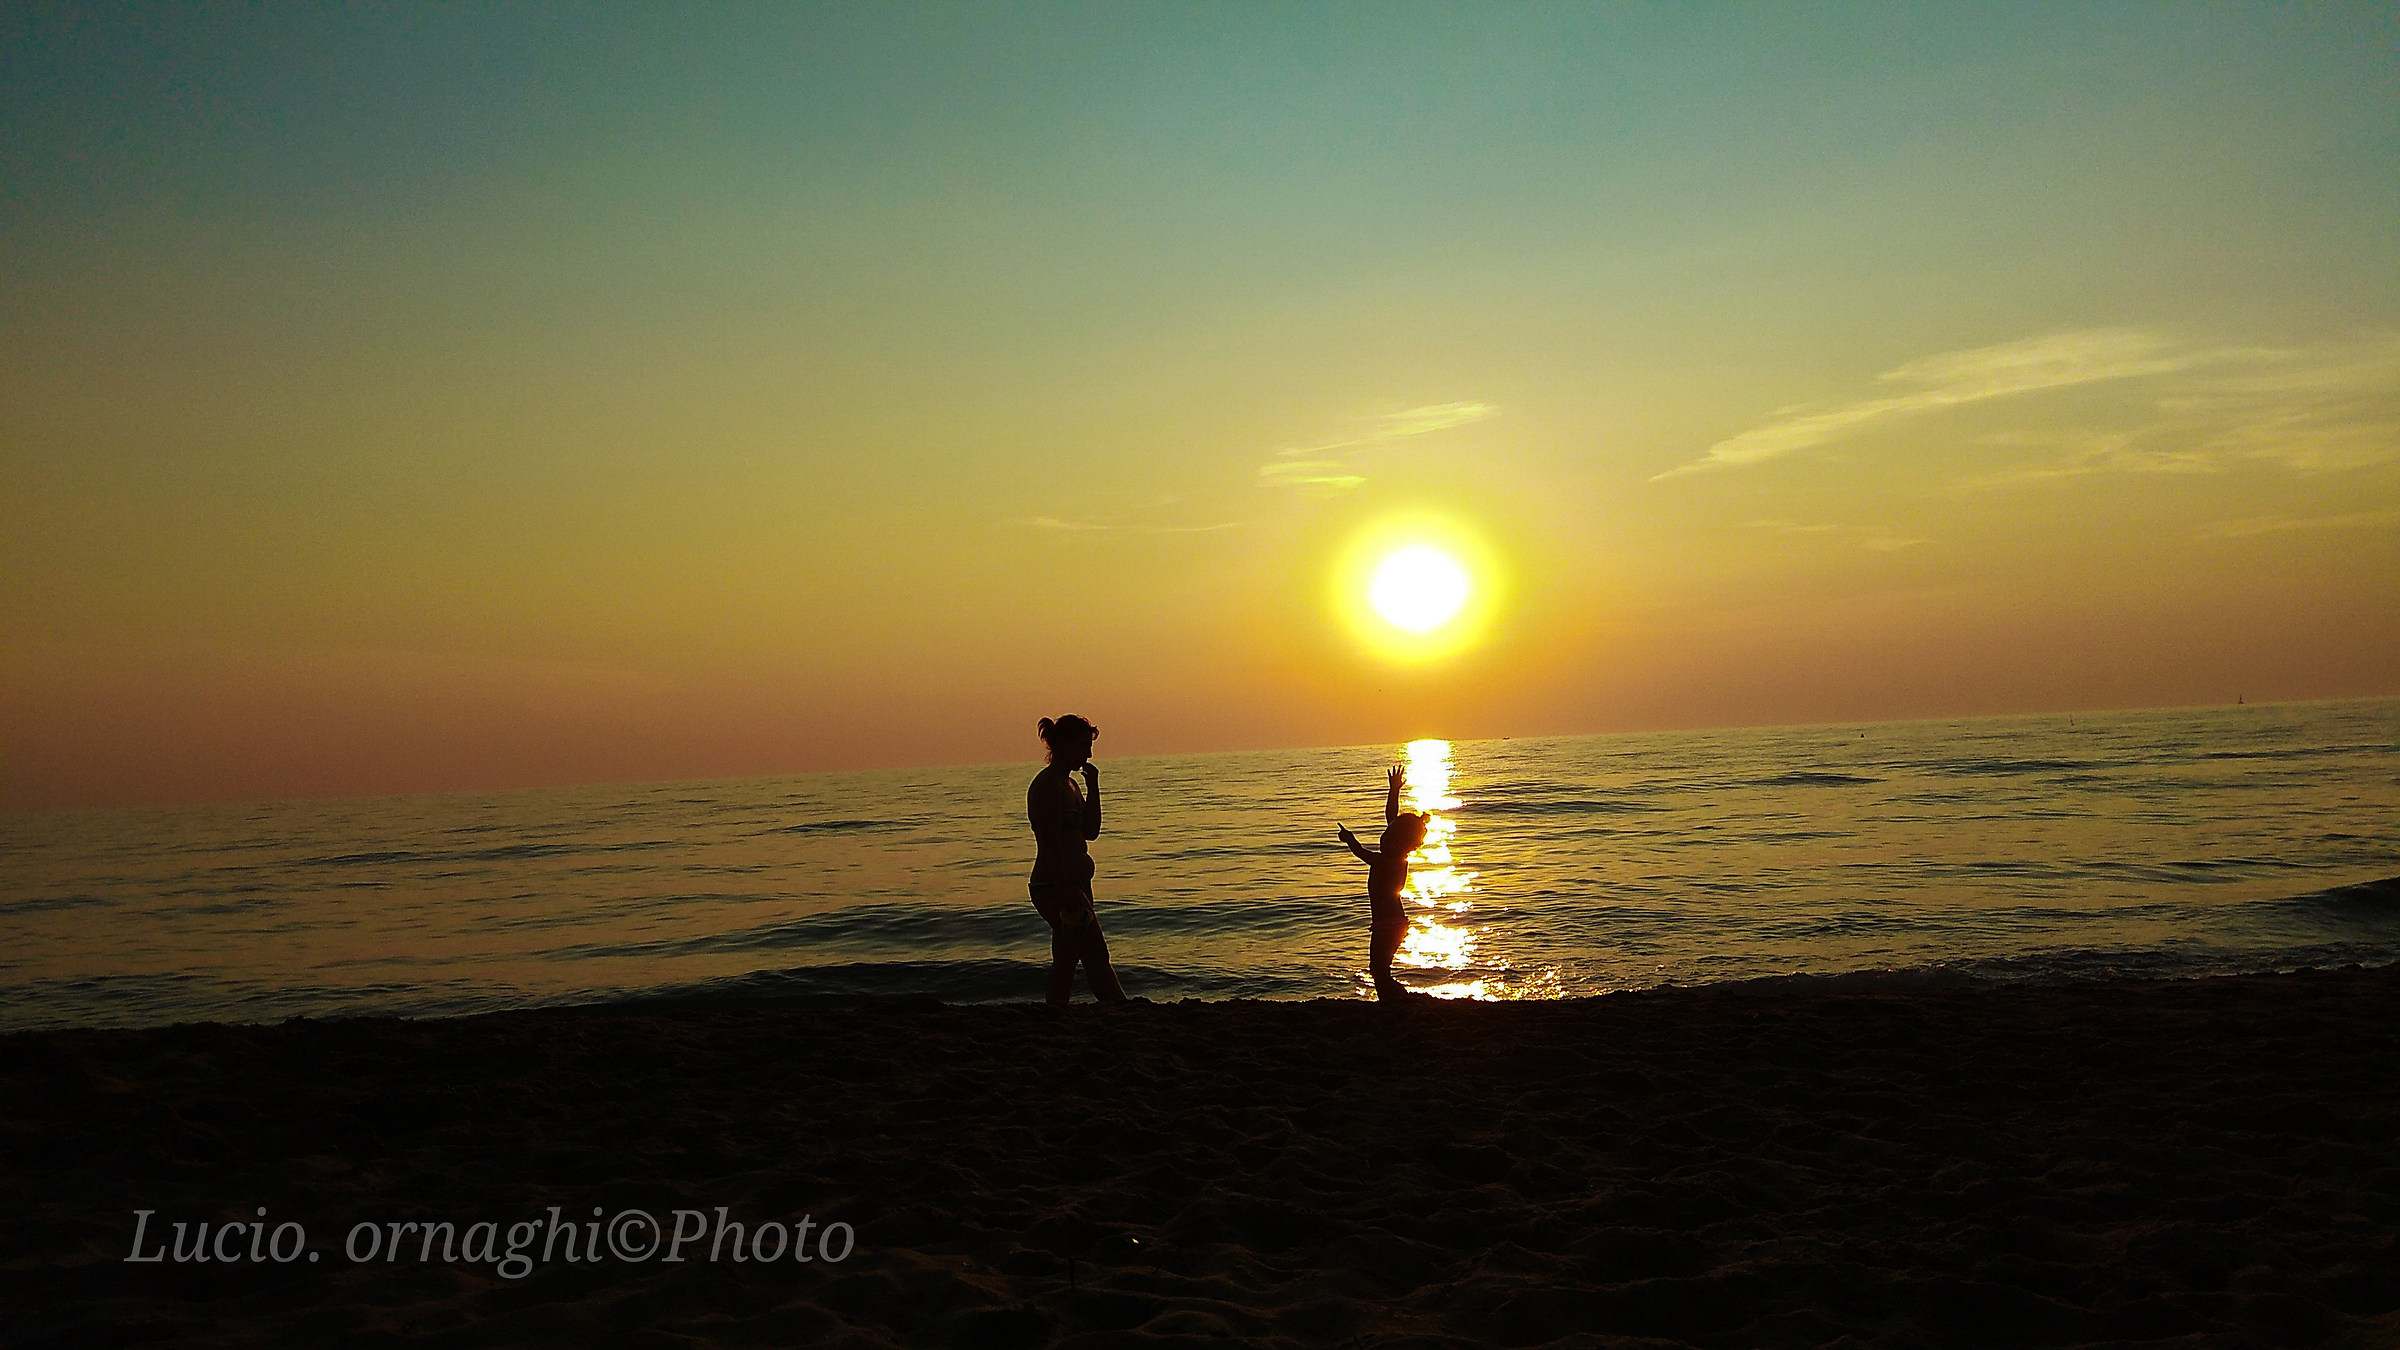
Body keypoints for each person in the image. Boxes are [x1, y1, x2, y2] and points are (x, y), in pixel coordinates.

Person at [1027, 714, 1129, 1005]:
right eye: (1084, 745)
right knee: (1096, 953)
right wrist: (1065, 889)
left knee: (1067, 958)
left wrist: (1094, 787)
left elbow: (1090, 831)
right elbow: (1049, 842)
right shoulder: (1047, 786)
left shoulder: (1070, 785)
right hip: (1056, 884)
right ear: (1063, 744)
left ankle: (1054, 1011)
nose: (1089, 753)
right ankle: (1120, 1008)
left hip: (1076, 883)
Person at [1336, 764, 1431, 1001]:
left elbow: (1360, 853)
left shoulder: (1389, 862)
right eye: (1385, 834)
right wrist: (1394, 790)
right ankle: (1394, 1001)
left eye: (1390, 837)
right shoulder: (1396, 855)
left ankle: (1398, 1002)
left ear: (1402, 843)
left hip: (1388, 925)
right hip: (1390, 923)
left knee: (1379, 970)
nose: (1384, 837)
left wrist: (1349, 839)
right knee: (1379, 970)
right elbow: (1391, 816)